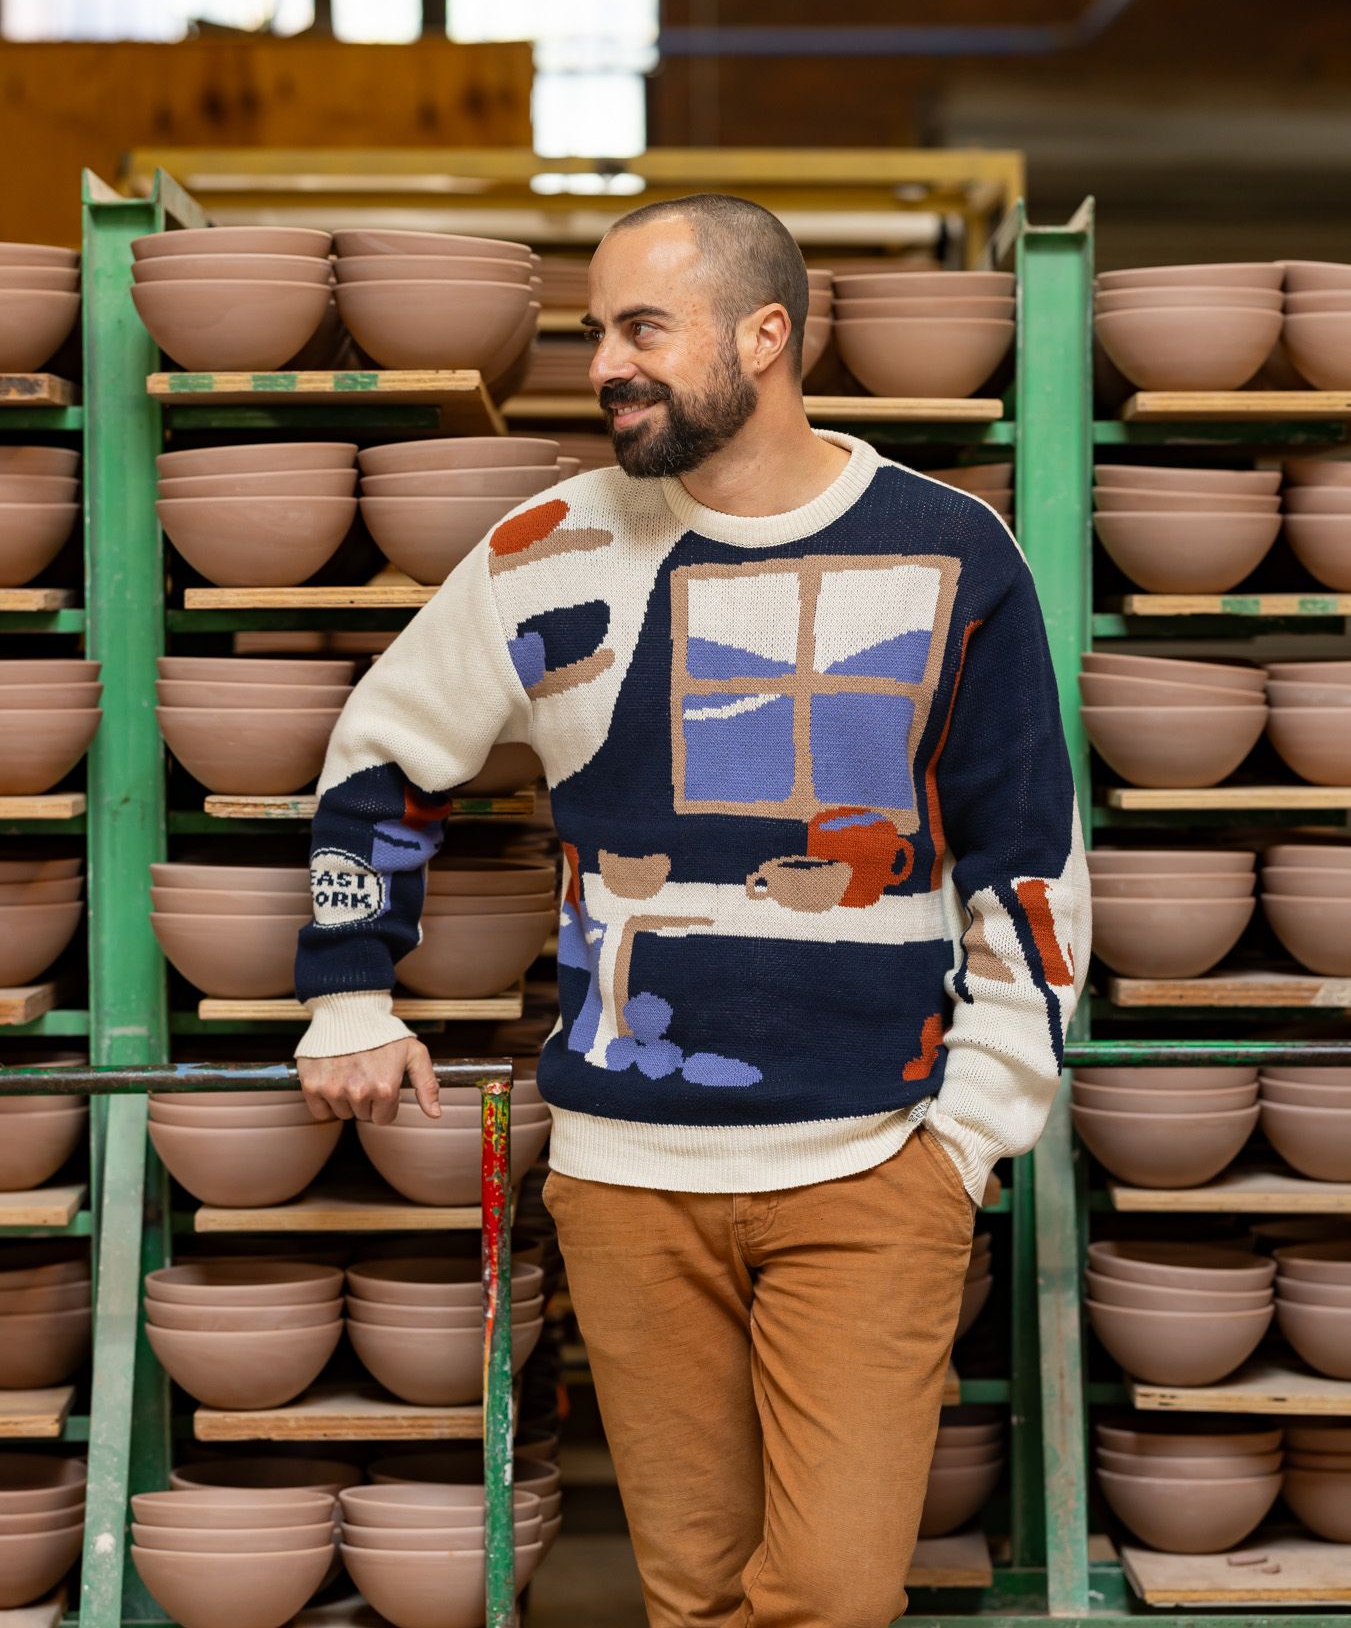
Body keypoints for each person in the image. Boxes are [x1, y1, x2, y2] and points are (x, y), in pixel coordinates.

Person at [295, 194, 1089, 1628]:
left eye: (642, 327)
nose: (606, 362)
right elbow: (382, 755)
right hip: (624, 1178)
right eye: (597, 329)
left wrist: (968, 1138)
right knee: (696, 1599)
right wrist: (349, 987)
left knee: (832, 1595)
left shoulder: (950, 551)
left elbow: (1027, 864)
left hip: (872, 1169)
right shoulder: (551, 549)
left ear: (766, 335)